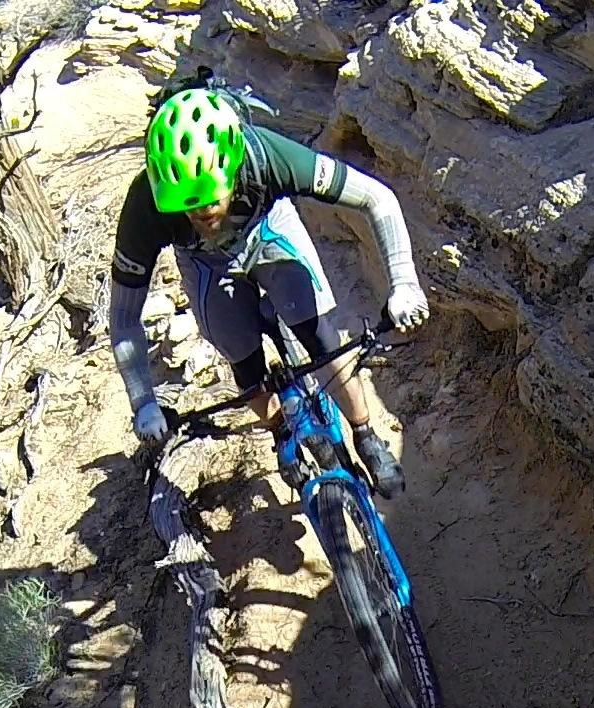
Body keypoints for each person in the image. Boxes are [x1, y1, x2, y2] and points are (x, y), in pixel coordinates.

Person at [107, 80, 429, 497]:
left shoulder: (267, 157)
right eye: (186, 203)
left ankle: (365, 434)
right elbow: (123, 318)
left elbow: (377, 199)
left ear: (234, 165)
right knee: (243, 360)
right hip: (205, 262)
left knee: (320, 335)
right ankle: (280, 429)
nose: (202, 211)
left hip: (268, 228)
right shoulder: (144, 207)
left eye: (209, 196)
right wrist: (143, 401)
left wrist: (404, 282)